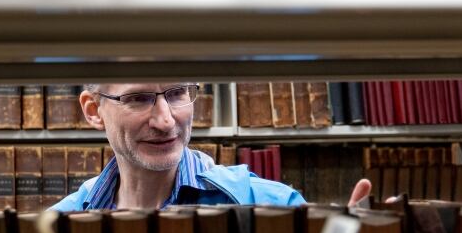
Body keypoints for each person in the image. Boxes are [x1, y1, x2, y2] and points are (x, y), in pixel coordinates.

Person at [50, 83, 371, 211]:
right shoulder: (62, 223)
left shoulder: (273, 206)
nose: (165, 121)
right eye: (138, 99)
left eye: (177, 94)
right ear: (93, 111)